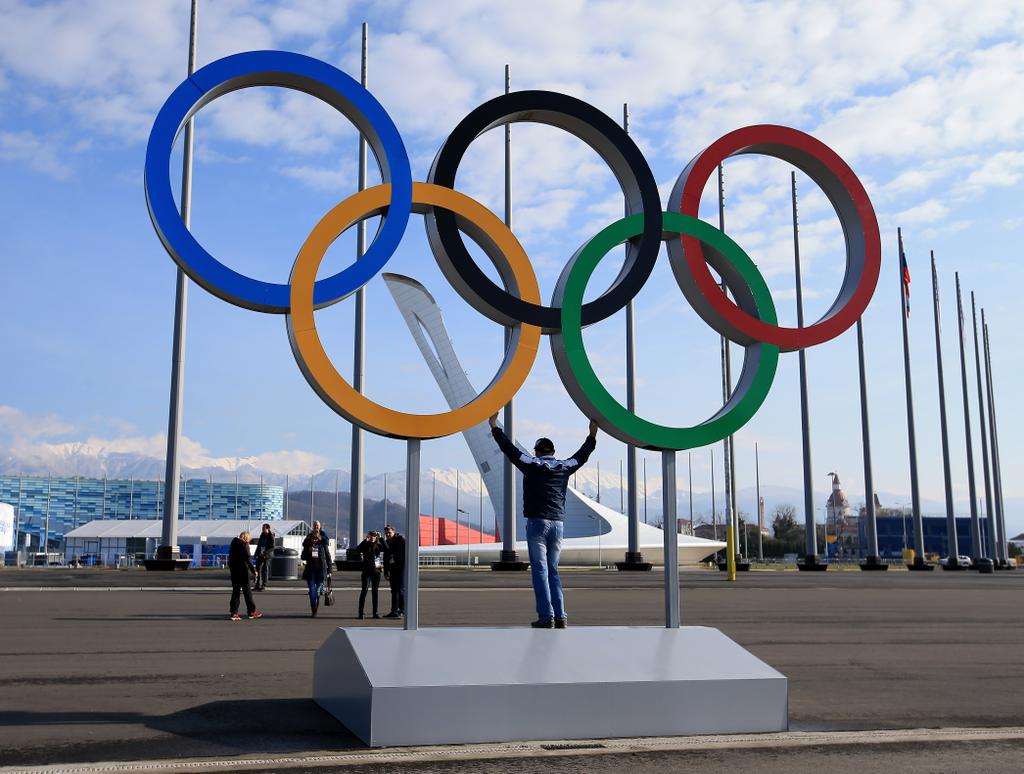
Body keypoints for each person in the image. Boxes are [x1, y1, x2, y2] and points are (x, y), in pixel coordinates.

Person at [489, 414, 597, 629]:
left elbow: (509, 449)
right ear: (553, 452)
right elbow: (582, 455)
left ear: (537, 451)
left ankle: (546, 616)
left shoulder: (531, 464)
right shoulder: (564, 466)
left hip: (537, 523)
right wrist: (592, 434)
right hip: (558, 523)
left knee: (540, 570)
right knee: (553, 570)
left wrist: (494, 427)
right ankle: (561, 616)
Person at [228, 530, 262, 621]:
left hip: (234, 571)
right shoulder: (244, 545)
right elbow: (248, 559)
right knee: (247, 592)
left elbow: (230, 559)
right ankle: (251, 612)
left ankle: (234, 613)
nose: (249, 540)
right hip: (243, 572)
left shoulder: (233, 543)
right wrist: (254, 570)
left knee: (236, 592)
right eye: (249, 538)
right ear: (245, 537)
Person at [301, 520, 332, 617]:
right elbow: (303, 557)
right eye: (314, 525)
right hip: (311, 570)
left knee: (318, 591)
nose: (314, 540)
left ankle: (315, 610)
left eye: (317, 525)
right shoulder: (308, 544)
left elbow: (328, 556)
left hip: (320, 570)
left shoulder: (323, 544)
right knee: (312, 591)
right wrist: (308, 551)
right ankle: (313, 608)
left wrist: (330, 569)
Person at [355, 530, 385, 619]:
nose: (372, 537)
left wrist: (381, 539)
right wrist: (365, 540)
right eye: (371, 535)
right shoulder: (365, 545)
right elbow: (357, 550)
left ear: (376, 537)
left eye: (374, 536)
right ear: (369, 536)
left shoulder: (378, 545)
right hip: (366, 572)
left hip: (376, 572)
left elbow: (386, 549)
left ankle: (375, 613)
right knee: (364, 591)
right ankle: (361, 612)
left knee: (375, 592)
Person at [383, 525, 406, 618]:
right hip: (392, 569)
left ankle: (402, 610)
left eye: (389, 532)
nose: (388, 534)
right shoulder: (387, 542)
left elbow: (403, 554)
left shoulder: (400, 540)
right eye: (386, 533)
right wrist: (386, 571)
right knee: (393, 591)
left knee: (400, 590)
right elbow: (385, 557)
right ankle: (394, 610)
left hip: (401, 568)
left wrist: (395, 558)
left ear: (394, 532)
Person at [253, 522, 275, 591]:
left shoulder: (271, 536)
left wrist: (265, 553)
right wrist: (256, 553)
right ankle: (257, 585)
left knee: (265, 570)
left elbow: (272, 547)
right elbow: (259, 545)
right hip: (260, 554)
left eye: (263, 529)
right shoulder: (262, 535)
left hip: (267, 555)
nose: (262, 530)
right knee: (258, 569)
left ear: (268, 529)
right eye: (262, 529)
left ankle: (263, 585)